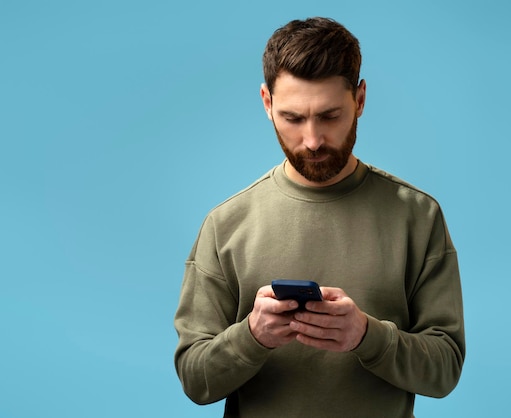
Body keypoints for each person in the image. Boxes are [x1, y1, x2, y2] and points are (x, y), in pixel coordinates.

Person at [174, 17, 465, 418]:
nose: (312, 140)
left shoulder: (417, 216)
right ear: (266, 103)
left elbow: (445, 370)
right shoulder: (225, 225)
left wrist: (367, 335)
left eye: (329, 116)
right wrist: (252, 337)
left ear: (359, 100)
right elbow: (195, 381)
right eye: (293, 118)